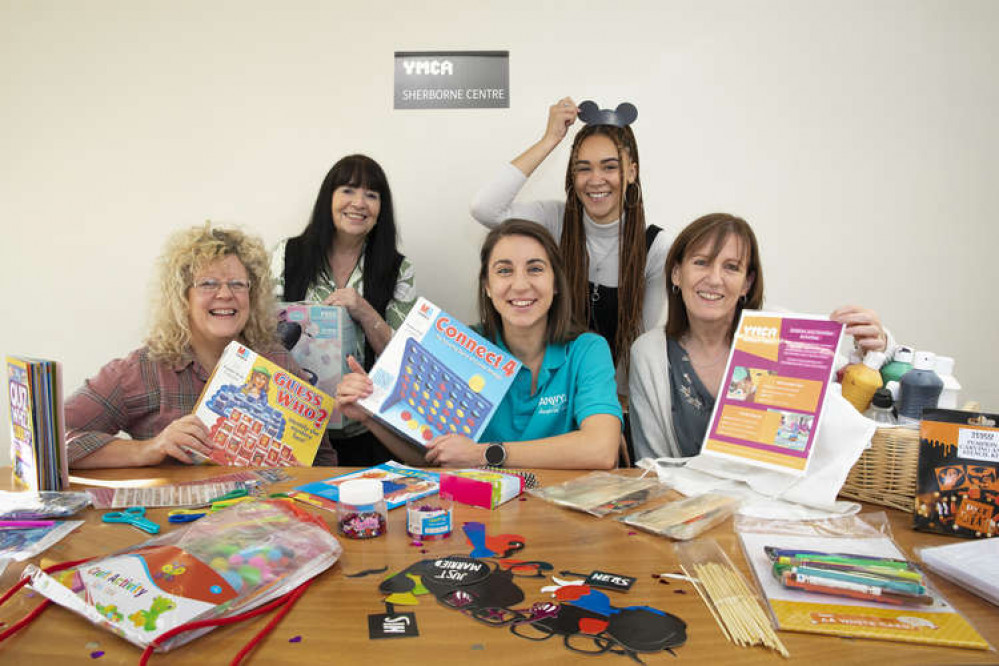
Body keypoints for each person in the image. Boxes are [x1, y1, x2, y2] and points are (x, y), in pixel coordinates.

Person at [336, 219, 622, 469]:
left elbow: (601, 449)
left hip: (562, 514)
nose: (520, 285)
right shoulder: (461, 347)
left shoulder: (588, 349)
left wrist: (485, 454)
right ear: (487, 285)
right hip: (483, 513)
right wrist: (369, 415)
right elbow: (432, 457)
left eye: (535, 269)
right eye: (504, 271)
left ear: (556, 283)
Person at [66, 224, 337, 468]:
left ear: (252, 295)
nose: (225, 294)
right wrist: (149, 449)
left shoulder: (275, 359)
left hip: (264, 517)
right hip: (175, 520)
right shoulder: (142, 370)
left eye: (237, 284)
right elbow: (50, 441)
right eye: (208, 284)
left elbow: (321, 460)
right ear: (183, 296)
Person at [629, 213, 893, 461]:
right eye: (701, 262)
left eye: (731, 267)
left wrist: (876, 347)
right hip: (683, 505)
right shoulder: (649, 353)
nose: (714, 279)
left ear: (747, 283)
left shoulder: (778, 333)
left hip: (770, 504)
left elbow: (854, 388)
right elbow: (652, 467)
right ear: (676, 273)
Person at [470, 97, 670, 383]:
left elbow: (638, 344)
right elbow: (485, 208)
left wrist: (610, 404)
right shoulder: (555, 221)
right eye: (584, 168)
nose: (595, 179)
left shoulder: (655, 247)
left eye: (610, 167)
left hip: (608, 394)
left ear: (632, 173)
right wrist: (549, 139)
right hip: (546, 386)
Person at [273, 154, 417, 466]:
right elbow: (261, 334)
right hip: (295, 425)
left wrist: (364, 310)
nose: (359, 203)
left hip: (367, 429)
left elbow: (403, 360)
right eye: (348, 190)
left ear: (381, 210)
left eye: (371, 195)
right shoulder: (287, 254)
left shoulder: (398, 268)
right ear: (329, 198)